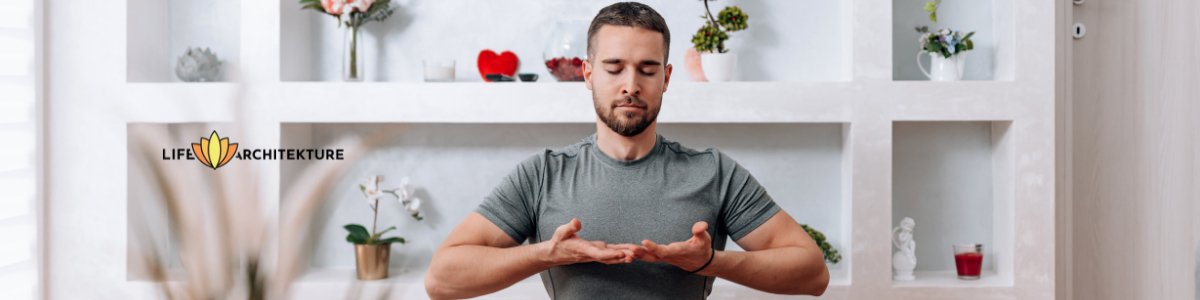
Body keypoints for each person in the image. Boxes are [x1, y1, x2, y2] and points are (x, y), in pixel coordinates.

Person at [425, 2, 829, 299]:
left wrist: (709, 263)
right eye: (614, 68)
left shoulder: (715, 172)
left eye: (647, 70)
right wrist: (548, 253)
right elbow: (442, 280)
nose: (631, 85)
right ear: (587, 73)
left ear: (667, 78)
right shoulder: (543, 174)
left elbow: (812, 274)